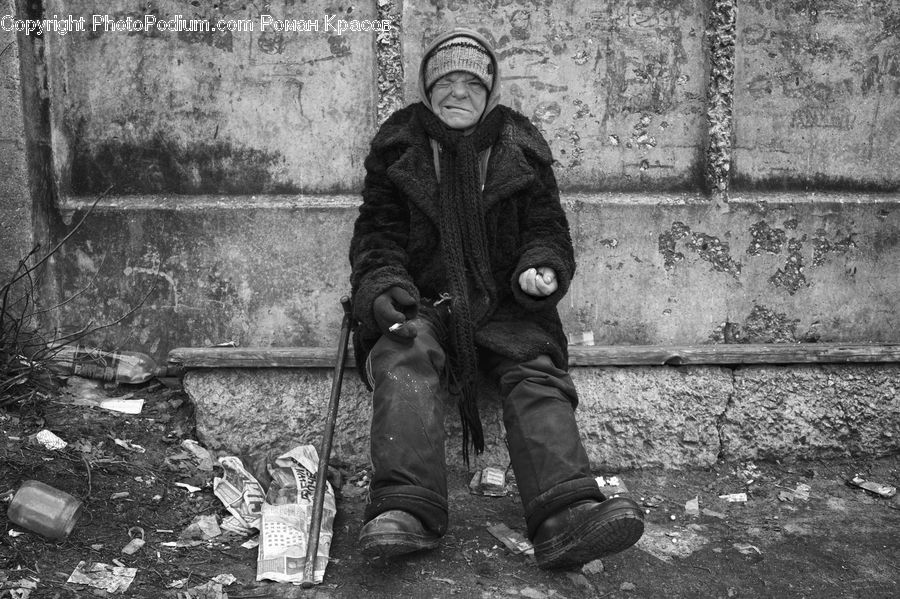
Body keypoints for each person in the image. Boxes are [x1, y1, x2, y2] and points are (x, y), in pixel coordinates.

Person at [348, 28, 644, 569]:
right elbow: (377, 234)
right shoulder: (399, 149)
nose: (456, 93)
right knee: (402, 352)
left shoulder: (520, 150)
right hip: (427, 300)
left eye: (470, 83)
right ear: (427, 89)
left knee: (534, 368)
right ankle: (406, 508)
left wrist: (542, 268)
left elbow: (547, 227)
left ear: (489, 92)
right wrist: (383, 286)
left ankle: (565, 513)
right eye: (444, 83)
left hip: (504, 303)